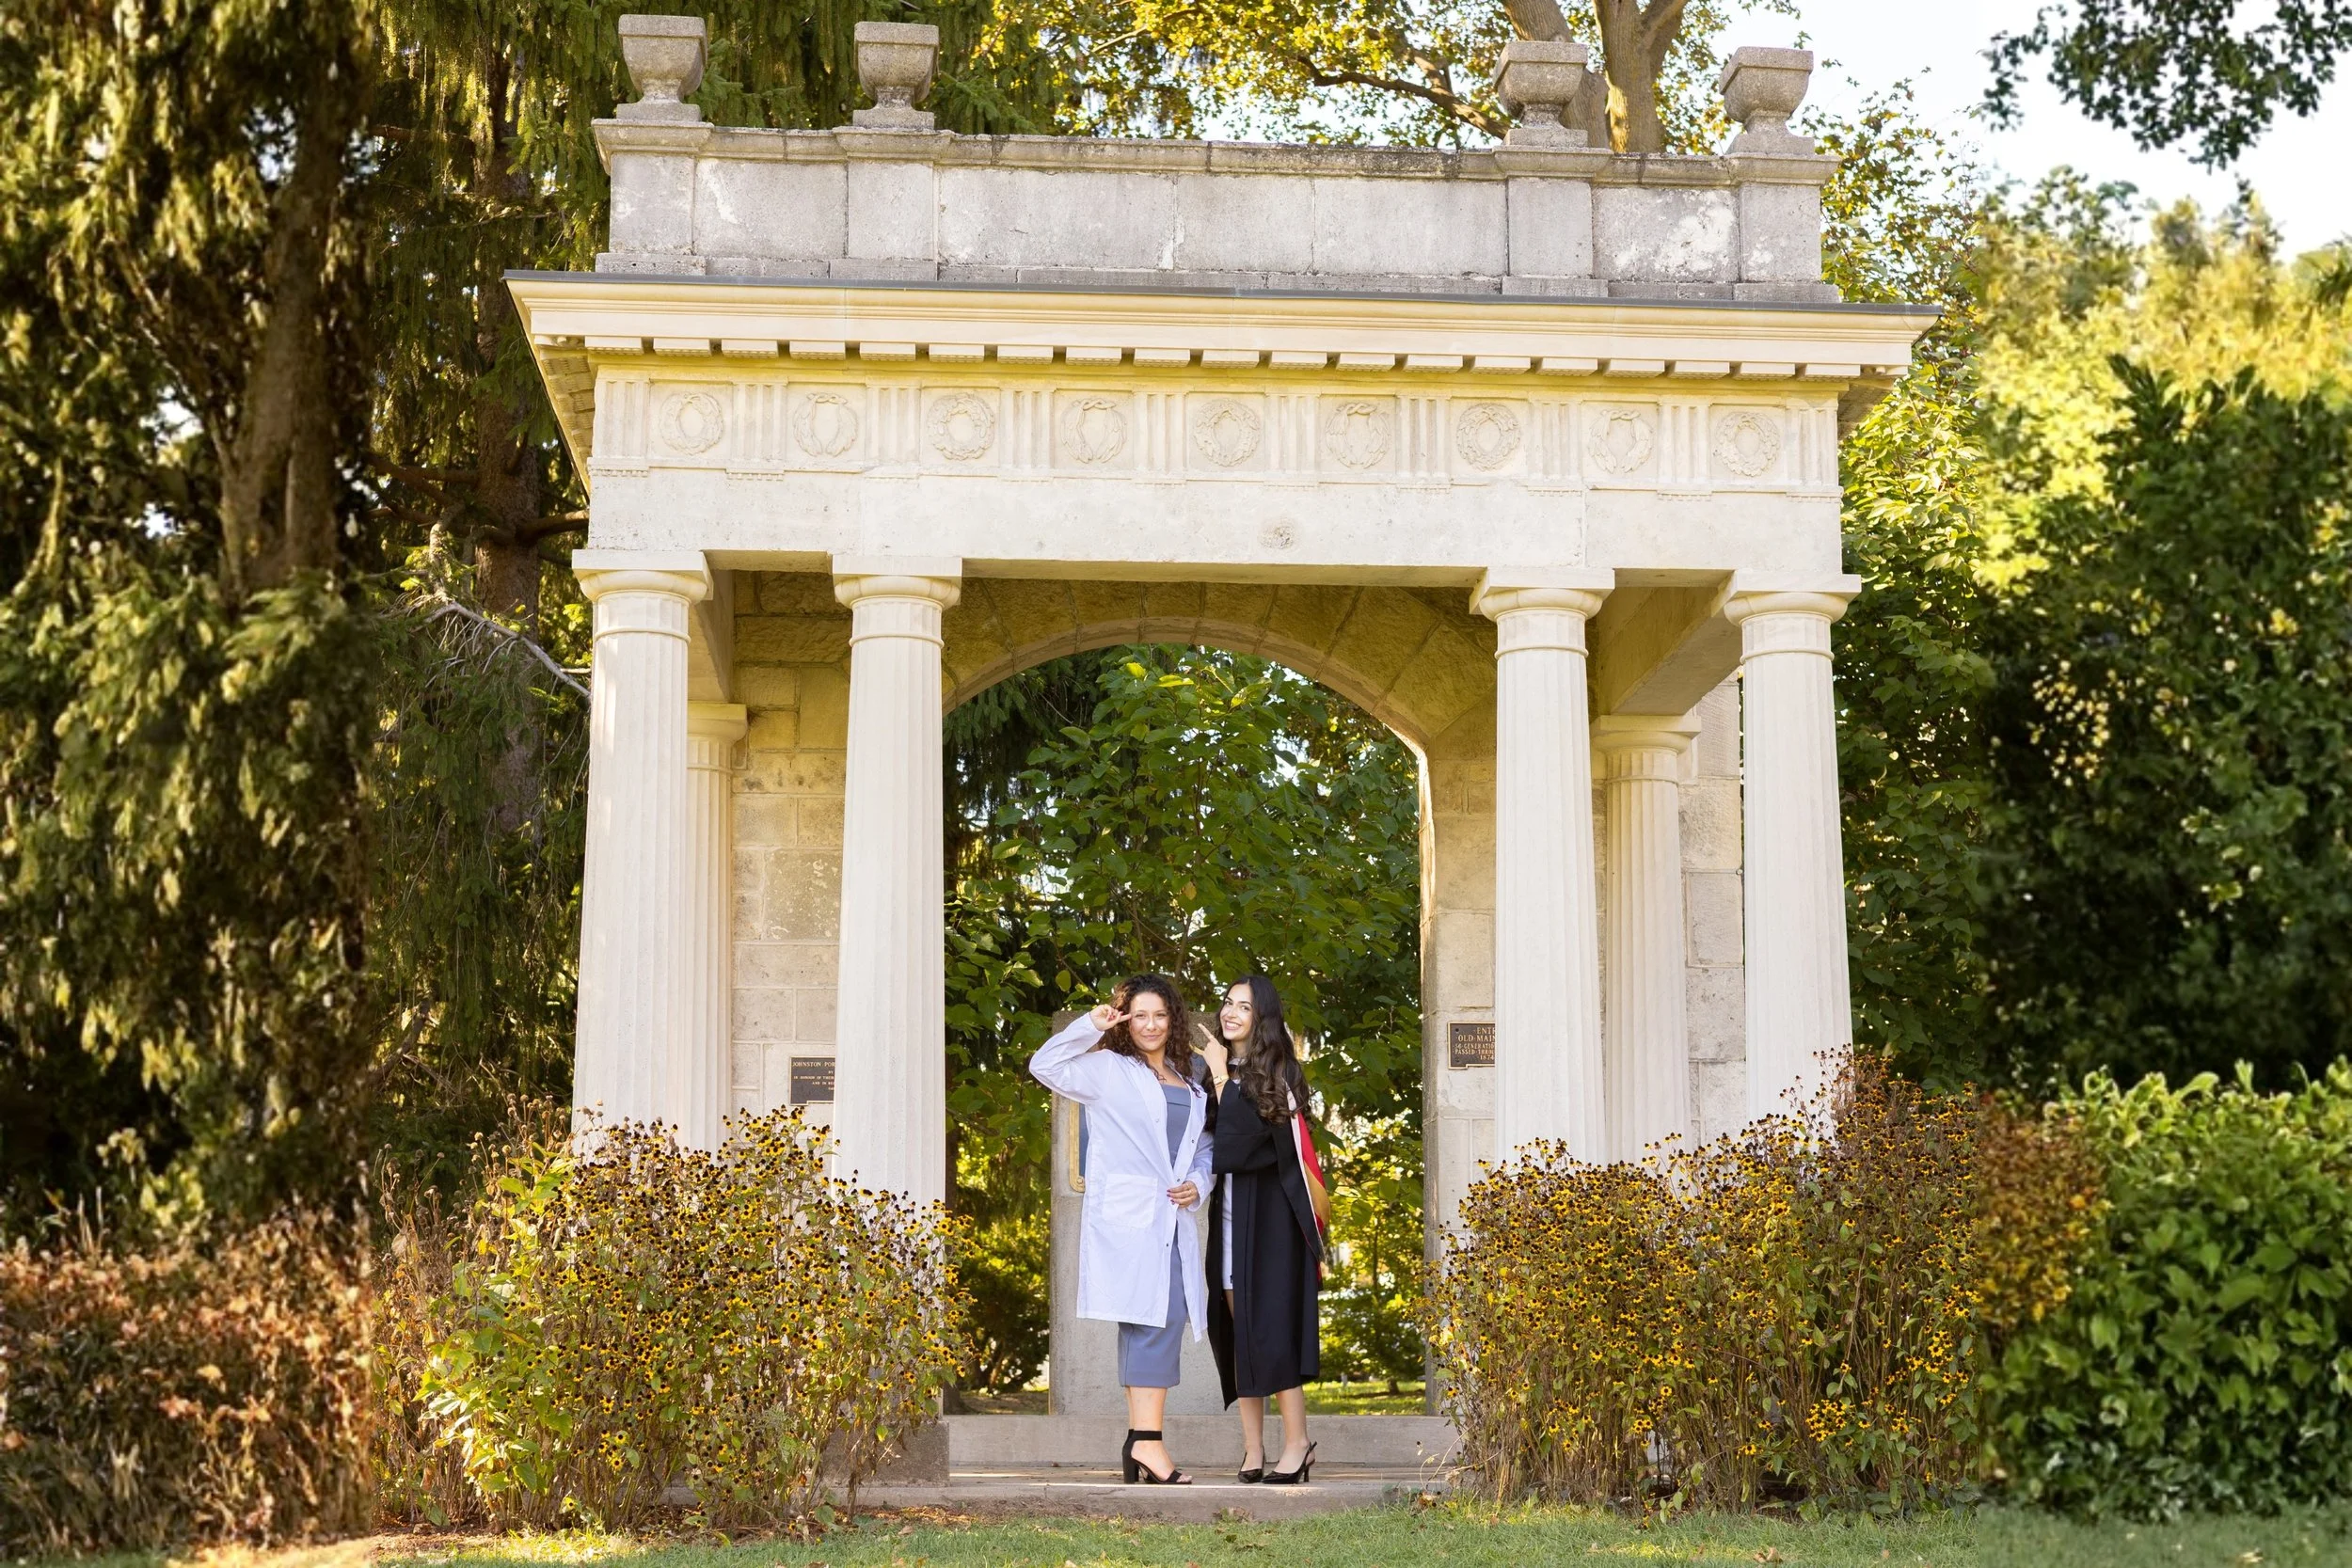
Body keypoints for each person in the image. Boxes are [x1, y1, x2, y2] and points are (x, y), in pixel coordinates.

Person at [1028, 974, 1215, 1485]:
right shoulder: (1107, 1070)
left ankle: (1141, 1441)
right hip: (1132, 1219)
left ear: (1173, 1019)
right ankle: (1149, 1444)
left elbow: (1203, 1147)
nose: (1150, 1025)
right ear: (1125, 1018)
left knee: (1164, 1318)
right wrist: (1091, 1025)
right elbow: (1043, 1065)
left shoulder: (1191, 1077)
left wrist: (1199, 1183)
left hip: (1172, 1218)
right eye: (1140, 1015)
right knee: (1148, 1322)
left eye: (1160, 1015)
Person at [1202, 974, 1322, 1485]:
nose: (1230, 1012)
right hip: (1230, 1219)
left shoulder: (1281, 1071)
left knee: (1270, 1333)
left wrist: (1220, 1080)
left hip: (1271, 1224)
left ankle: (1297, 1443)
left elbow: (1247, 1142)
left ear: (1262, 1017)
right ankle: (1253, 1449)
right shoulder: (1218, 1068)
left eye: (1243, 1006)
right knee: (1241, 1333)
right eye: (1227, 1003)